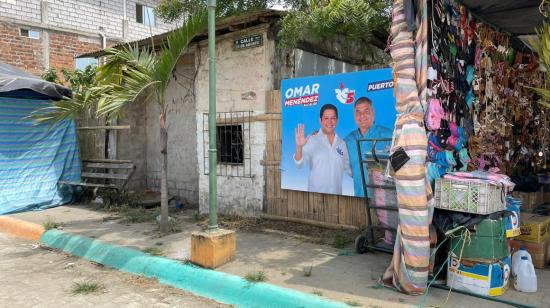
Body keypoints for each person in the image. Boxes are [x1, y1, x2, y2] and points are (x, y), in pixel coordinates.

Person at [294, 104, 352, 194]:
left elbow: (348, 168)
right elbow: (299, 164)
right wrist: (299, 147)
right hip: (315, 197)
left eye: (333, 118)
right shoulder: (312, 139)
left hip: (337, 197)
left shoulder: (342, 143)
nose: (330, 122)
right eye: (326, 118)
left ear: (337, 120)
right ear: (320, 120)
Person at [345, 97, 393, 197]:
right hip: (359, 198)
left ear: (373, 112)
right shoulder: (349, 140)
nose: (362, 115)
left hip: (384, 201)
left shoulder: (389, 135)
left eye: (366, 111)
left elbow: (401, 166)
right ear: (354, 115)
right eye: (358, 112)